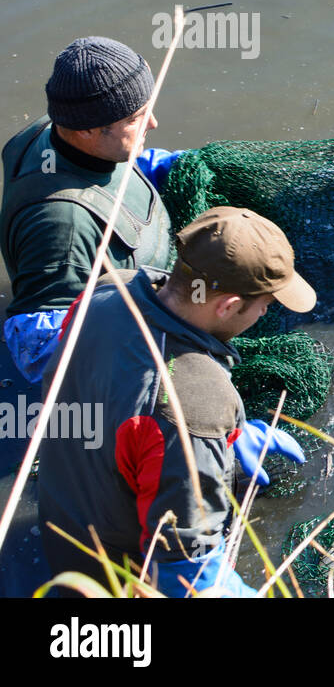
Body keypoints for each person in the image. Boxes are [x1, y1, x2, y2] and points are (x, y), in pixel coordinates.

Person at [37, 206, 314, 597]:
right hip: (115, 579)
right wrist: (202, 440)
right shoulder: (194, 403)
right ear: (229, 306)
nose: (267, 310)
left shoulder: (112, 286)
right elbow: (185, 570)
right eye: (265, 302)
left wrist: (226, 443)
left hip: (63, 517)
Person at [1, 36, 185, 383]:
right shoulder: (63, 227)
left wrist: (164, 169)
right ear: (85, 130)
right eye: (136, 118)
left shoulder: (50, 125)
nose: (154, 124)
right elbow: (38, 349)